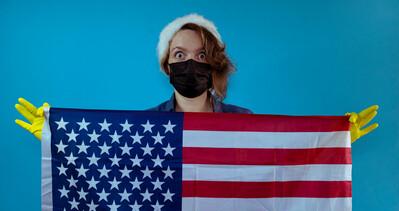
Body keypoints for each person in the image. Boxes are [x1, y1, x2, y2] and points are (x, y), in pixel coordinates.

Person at [15, 13, 378, 142]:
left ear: (214, 64)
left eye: (201, 56)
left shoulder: (243, 122)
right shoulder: (146, 125)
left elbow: (277, 169)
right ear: (165, 66)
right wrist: (57, 133)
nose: (191, 64)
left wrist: (334, 141)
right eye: (180, 55)